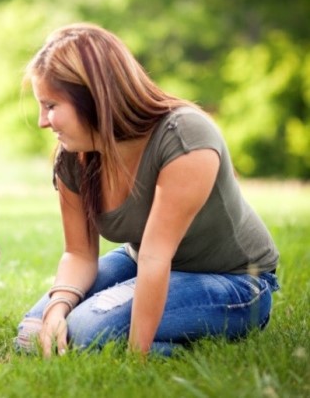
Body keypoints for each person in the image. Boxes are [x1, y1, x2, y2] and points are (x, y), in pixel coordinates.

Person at [15, 23, 280, 357]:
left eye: (51, 106)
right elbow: (79, 253)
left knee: (84, 331)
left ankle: (166, 349)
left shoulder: (184, 137)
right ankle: (141, 337)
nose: (42, 121)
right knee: (33, 331)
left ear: (94, 99)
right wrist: (57, 308)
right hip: (141, 262)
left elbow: (157, 256)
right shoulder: (73, 158)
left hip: (236, 280)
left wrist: (136, 357)